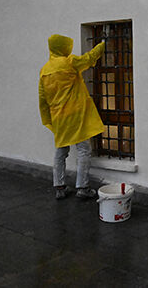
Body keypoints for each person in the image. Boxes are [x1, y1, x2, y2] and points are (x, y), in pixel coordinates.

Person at [39, 34, 106, 200]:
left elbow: (42, 98)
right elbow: (89, 59)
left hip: (58, 118)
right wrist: (102, 44)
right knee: (84, 149)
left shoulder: (44, 70)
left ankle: (59, 187)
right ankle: (82, 187)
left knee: (61, 150)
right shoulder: (69, 62)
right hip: (75, 115)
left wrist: (48, 119)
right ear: (62, 47)